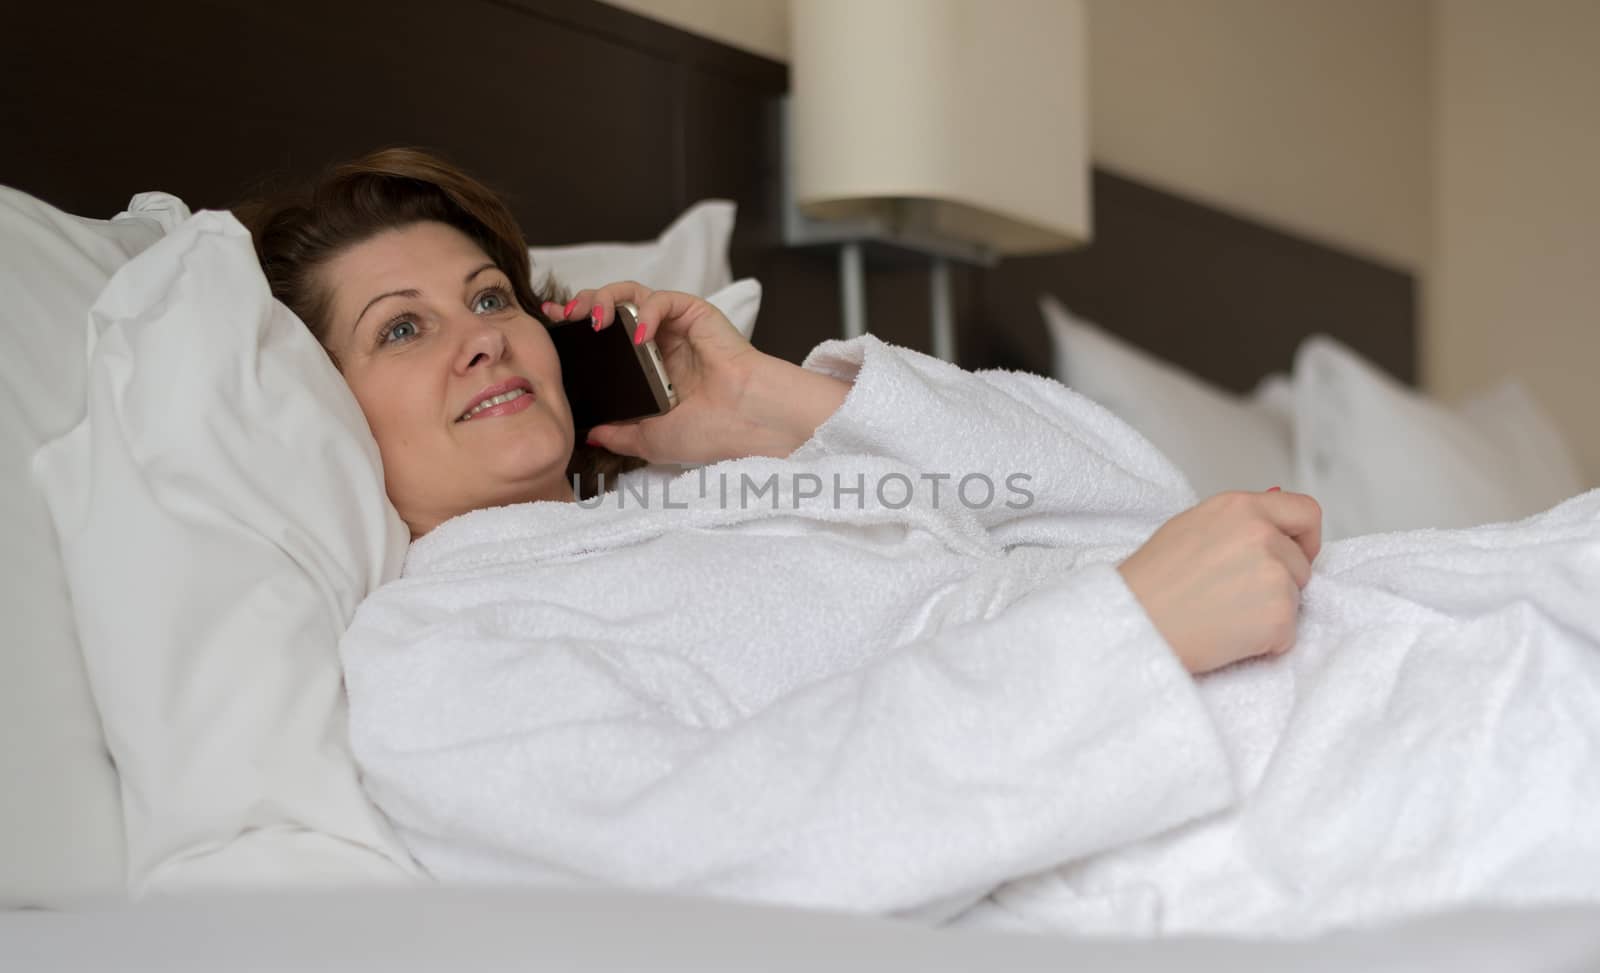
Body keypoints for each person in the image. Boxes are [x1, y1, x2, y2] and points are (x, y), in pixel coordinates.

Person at [239, 148, 1600, 938]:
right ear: (322, 408)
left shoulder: (705, 495)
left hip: (1335, 655)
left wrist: (768, 403)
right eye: (401, 327)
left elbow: (1129, 510)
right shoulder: (433, 649)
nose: (481, 330)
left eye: (490, 294)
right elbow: (704, 859)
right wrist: (1126, 639)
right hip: (1217, 802)